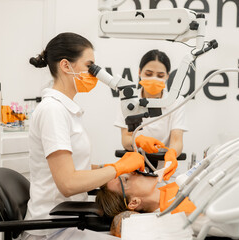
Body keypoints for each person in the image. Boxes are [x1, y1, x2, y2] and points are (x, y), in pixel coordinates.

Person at [22, 32, 146, 240]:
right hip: (50, 230)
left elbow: (75, 167)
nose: (94, 74)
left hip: (67, 220)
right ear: (65, 66)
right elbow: (68, 183)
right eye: (90, 66)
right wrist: (117, 168)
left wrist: (113, 168)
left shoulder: (65, 110)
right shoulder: (53, 111)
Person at [96, 172, 239, 239]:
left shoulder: (173, 186)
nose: (134, 171)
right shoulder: (180, 217)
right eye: (126, 179)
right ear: (134, 202)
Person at [114, 49, 188, 181]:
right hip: (134, 169)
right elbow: (125, 139)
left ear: (167, 76)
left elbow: (177, 139)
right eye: (148, 74)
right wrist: (137, 141)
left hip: (164, 170)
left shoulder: (176, 101)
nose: (154, 78)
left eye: (160, 75)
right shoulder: (129, 100)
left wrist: (172, 153)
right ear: (139, 72)